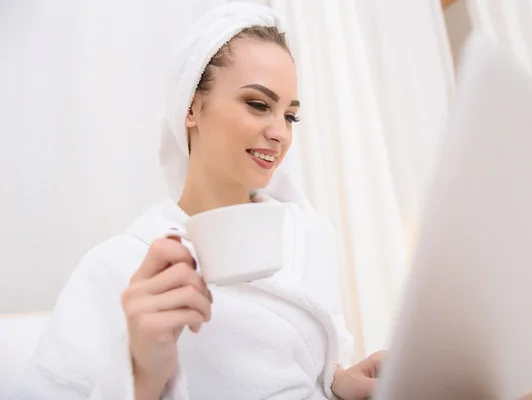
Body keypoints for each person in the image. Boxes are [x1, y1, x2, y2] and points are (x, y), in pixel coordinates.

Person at [11, 3, 384, 400]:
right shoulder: (119, 267)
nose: (280, 133)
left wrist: (337, 381)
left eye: (290, 116)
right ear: (191, 107)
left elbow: (311, 364)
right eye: (258, 104)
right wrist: (140, 374)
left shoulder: (307, 235)